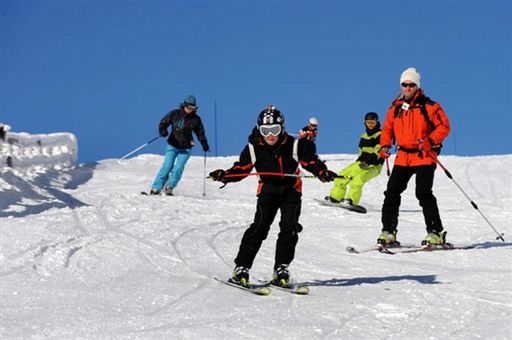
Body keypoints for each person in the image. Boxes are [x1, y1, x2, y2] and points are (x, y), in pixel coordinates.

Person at [209, 105, 337, 287]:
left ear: (282, 128)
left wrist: (322, 172)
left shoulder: (294, 144)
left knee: (289, 227)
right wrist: (225, 175)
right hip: (267, 191)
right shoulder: (253, 148)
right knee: (259, 227)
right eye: (265, 130)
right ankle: (241, 268)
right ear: (259, 129)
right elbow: (241, 169)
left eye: (274, 130)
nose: (270, 135)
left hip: (291, 190)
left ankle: (281, 269)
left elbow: (311, 161)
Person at [377, 67, 451, 246]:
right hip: (403, 156)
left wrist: (430, 140)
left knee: (423, 192)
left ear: (417, 86)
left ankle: (436, 232)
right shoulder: (395, 108)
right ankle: (388, 231)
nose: (408, 88)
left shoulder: (429, 106)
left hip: (424, 155)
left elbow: (444, 126)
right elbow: (387, 129)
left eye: (411, 85)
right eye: (405, 84)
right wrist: (385, 145)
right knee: (392, 192)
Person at [150, 95, 209, 196]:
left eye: (192, 108)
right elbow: (163, 122)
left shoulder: (196, 119)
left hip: (186, 147)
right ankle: (156, 188)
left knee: (178, 168)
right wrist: (163, 130)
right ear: (184, 105)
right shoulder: (175, 114)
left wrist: (204, 143)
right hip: (173, 144)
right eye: (189, 107)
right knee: (167, 166)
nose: (190, 110)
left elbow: (200, 132)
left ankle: (169, 187)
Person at [325, 112, 384, 207]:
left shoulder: (381, 135)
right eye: (369, 123)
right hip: (361, 163)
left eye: (373, 123)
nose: (371, 125)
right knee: (343, 174)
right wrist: (358, 163)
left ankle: (351, 200)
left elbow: (378, 151)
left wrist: (368, 162)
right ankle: (335, 197)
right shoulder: (363, 136)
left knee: (358, 179)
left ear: (377, 122)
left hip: (374, 165)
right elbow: (361, 151)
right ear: (365, 123)